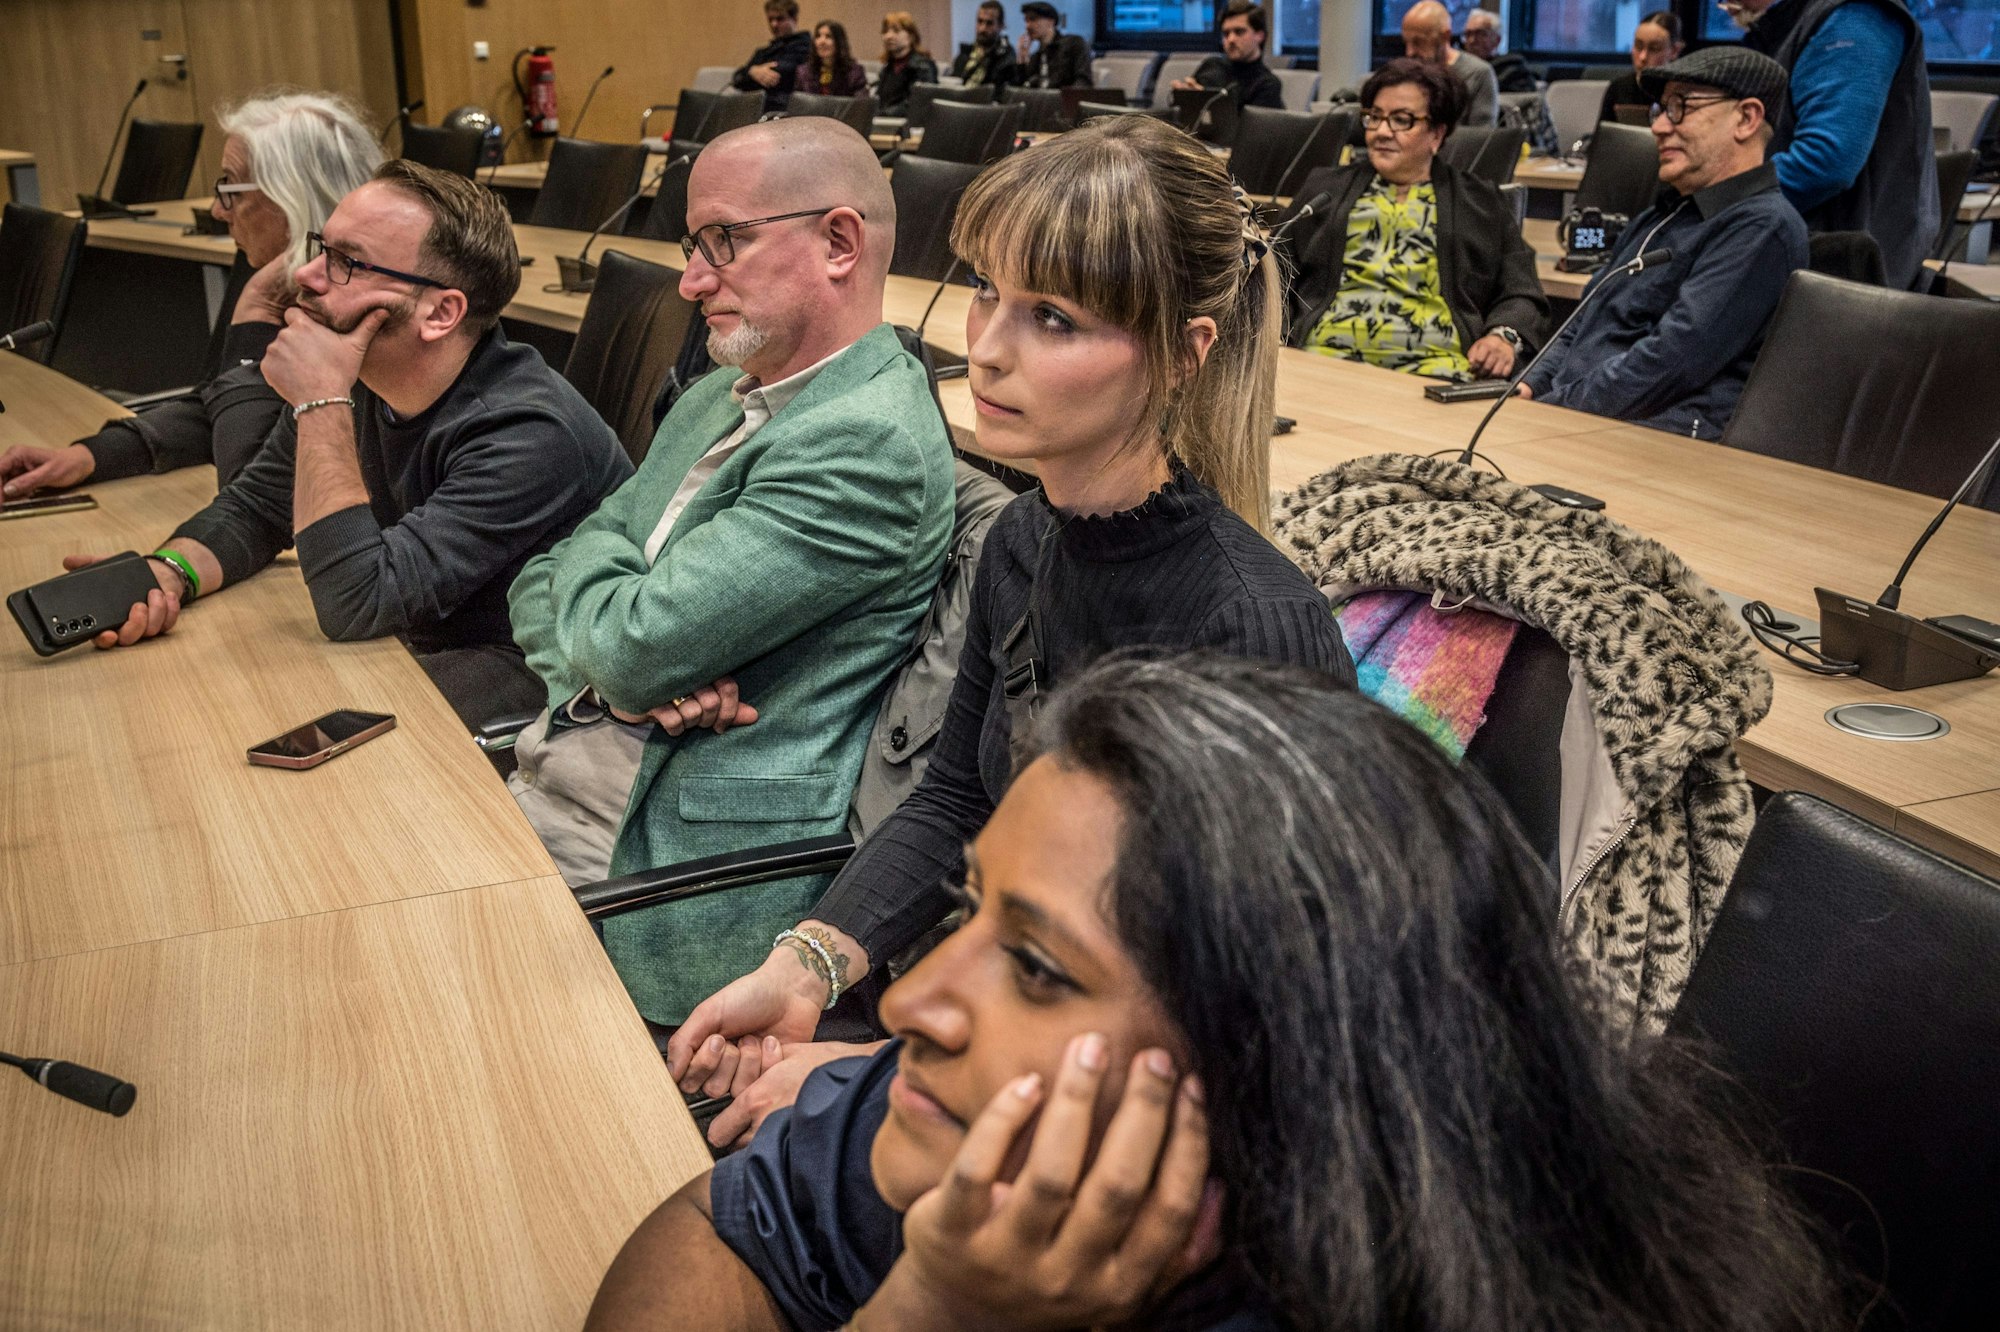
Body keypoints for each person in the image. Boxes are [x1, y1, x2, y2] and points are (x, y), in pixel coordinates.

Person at [585, 653, 1846, 1332]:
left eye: (1035, 965)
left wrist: (936, 1316)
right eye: (970, 912)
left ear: (1281, 1058)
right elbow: (718, 1225)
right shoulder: (990, 1123)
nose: (912, 1007)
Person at [664, 115, 1356, 1149]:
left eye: (1055, 320)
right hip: (1013, 1049)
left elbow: (1230, 1018)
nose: (983, 350)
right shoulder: (1026, 538)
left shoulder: (1248, 629)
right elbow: (958, 798)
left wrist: (884, 1069)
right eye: (987, 290)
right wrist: (803, 965)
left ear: (1182, 354)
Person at [505, 118, 955, 1028]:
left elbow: (628, 638)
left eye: (725, 241)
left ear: (838, 242)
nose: (690, 280)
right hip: (557, 768)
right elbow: (543, 576)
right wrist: (613, 686)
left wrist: (620, 658)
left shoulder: (866, 442)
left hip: (653, 869)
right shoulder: (721, 393)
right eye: (692, 244)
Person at [57, 160, 631, 714]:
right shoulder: (360, 379)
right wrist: (170, 573)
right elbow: (256, 508)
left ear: (440, 314)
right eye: (322, 249)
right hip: (406, 644)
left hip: (528, 682)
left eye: (347, 263)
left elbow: (359, 602)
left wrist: (319, 400)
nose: (306, 275)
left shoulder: (528, 432)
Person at [0, 91, 379, 500]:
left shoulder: (354, 316)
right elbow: (219, 401)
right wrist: (90, 457)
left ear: (291, 198)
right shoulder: (269, 267)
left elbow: (251, 491)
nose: (217, 210)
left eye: (231, 188)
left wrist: (255, 313)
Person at [1521, 48, 1808, 439]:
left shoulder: (1761, 228)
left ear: (1746, 118)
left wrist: (1549, 410)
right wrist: (1528, 386)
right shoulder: (1664, 213)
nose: (1657, 126)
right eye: (1660, 108)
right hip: (1579, 420)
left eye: (1680, 107)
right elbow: (1581, 321)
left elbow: (1668, 364)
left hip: (1654, 440)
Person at [1284, 58, 1548, 382]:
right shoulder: (1324, 189)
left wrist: (1502, 337)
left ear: (1437, 133)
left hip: (1437, 371)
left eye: (1401, 120)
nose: (1381, 131)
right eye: (1374, 117)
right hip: (1322, 362)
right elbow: (1275, 270)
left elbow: (1522, 290)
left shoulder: (1481, 202)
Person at [1729, 0, 1939, 290]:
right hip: (1786, 245)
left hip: (1839, 277)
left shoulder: (1855, 16)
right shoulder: (1783, 24)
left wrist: (1720, 201)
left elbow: (1825, 162)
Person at [1168, 1, 1284, 112]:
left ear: (1260, 36)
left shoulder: (1267, 84)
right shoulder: (1212, 65)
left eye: (1239, 32)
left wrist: (1204, 101)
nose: (1231, 39)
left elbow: (1250, 129)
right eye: (1226, 33)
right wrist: (1183, 96)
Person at [1402, 0, 1497, 127]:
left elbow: (1481, 137)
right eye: (1406, 42)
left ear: (1445, 37)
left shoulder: (1478, 74)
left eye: (1418, 42)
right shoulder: (1409, 72)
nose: (1409, 52)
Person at [1600, 11, 1685, 126]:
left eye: (1654, 48)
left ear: (1675, 51)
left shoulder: (1685, 92)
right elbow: (1604, 137)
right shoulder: (1618, 88)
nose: (1643, 57)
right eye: (1638, 46)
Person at [733, 0, 813, 114]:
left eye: (780, 19)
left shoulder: (805, 48)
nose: (774, 24)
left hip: (784, 112)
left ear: (794, 19)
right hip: (755, 109)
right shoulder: (763, 51)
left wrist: (751, 73)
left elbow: (777, 76)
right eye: (770, 19)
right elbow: (736, 78)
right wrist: (752, 71)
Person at [1011, 1, 1092, 89]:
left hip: (1065, 100)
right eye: (1026, 21)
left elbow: (1084, 81)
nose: (1028, 26)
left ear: (1051, 21)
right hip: (1042, 101)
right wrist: (1021, 58)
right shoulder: (1036, 56)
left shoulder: (1074, 44)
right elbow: (1021, 89)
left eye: (1033, 19)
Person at [874, 12, 938, 115]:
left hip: (909, 124)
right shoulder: (887, 68)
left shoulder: (923, 66)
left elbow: (918, 103)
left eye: (896, 31)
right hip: (884, 122)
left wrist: (884, 114)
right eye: (885, 31)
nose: (889, 36)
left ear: (911, 36)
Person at [1461, 9, 1537, 93]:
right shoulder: (1458, 69)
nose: (1472, 40)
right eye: (1468, 34)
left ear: (1497, 40)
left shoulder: (1513, 69)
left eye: (1480, 34)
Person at [951, 0, 1018, 88]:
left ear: (1000, 26)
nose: (982, 28)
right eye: (980, 21)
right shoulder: (965, 54)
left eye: (989, 23)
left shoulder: (1006, 58)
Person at [794, 20, 867, 96]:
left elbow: (861, 105)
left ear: (839, 42)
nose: (822, 41)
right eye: (818, 36)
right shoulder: (803, 73)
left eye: (828, 36)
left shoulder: (854, 73)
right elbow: (798, 105)